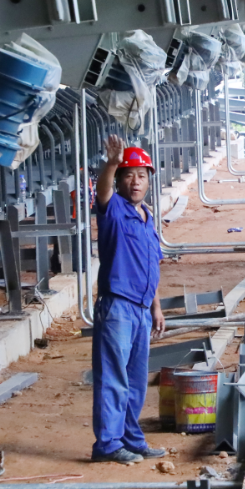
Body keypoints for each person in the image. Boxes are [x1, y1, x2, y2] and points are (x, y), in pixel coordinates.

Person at [91, 136, 167, 464]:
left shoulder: (146, 216)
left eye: (141, 175)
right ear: (120, 180)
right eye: (129, 175)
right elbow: (102, 191)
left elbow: (151, 265)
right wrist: (111, 163)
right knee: (113, 377)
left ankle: (131, 439)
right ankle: (107, 444)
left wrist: (156, 307)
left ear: (149, 180)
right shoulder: (113, 211)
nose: (136, 182)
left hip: (141, 309)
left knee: (135, 380)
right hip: (118, 305)